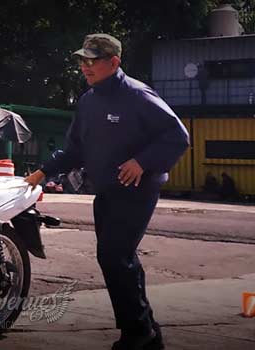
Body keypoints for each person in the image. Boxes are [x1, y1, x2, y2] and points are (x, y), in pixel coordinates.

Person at [25, 34, 189, 350]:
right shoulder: (89, 100)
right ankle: (147, 331)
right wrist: (42, 172)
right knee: (118, 258)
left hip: (137, 190)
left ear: (113, 62)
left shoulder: (138, 95)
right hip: (107, 191)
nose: (85, 67)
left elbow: (177, 136)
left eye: (92, 60)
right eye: (82, 60)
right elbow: (75, 149)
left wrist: (142, 161)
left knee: (114, 255)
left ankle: (137, 334)